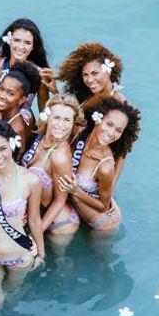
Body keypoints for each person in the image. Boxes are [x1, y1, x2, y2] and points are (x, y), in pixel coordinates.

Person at [0, 120, 45, 308]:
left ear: (12, 144)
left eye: (2, 148)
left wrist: (41, 254)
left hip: (19, 256)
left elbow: (34, 220)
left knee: (12, 298)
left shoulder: (31, 180)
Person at [57, 97, 140, 234]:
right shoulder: (78, 133)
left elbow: (103, 206)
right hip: (73, 208)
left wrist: (75, 191)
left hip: (102, 223)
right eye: (109, 124)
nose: (111, 133)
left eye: (119, 130)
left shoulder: (106, 166)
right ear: (98, 118)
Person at [20, 95, 85, 249]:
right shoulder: (40, 137)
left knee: (59, 262)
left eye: (67, 120)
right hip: (37, 213)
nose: (61, 125)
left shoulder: (60, 157)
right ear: (47, 117)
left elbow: (59, 201)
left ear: (73, 123)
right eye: (56, 117)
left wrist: (35, 235)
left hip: (61, 224)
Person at [0, 18, 57, 111]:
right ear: (9, 40)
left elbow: (44, 112)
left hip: (21, 119)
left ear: (33, 46)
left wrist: (55, 92)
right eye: (17, 40)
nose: (21, 46)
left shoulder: (41, 75)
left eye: (27, 43)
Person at [57, 42, 126, 106]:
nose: (89, 80)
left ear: (109, 71)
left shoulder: (119, 103)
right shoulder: (87, 96)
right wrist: (55, 91)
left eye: (94, 73)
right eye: (85, 74)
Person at [0, 61, 41, 152]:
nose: (2, 95)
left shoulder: (15, 130)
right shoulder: (20, 113)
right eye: (1, 88)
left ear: (22, 99)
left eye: (10, 93)